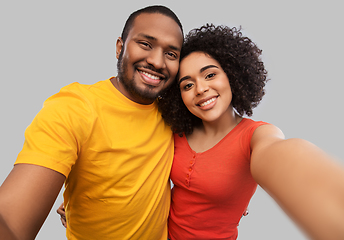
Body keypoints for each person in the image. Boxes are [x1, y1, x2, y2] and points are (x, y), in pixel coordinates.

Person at [0, 5, 183, 240]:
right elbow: (10, 223)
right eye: (145, 44)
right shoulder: (75, 107)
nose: (158, 62)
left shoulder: (175, 114)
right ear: (120, 47)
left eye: (171, 54)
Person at [157, 24, 344, 240]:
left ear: (232, 74)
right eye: (187, 85)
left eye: (209, 75)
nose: (200, 89)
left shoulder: (255, 137)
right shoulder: (178, 131)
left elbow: (280, 155)